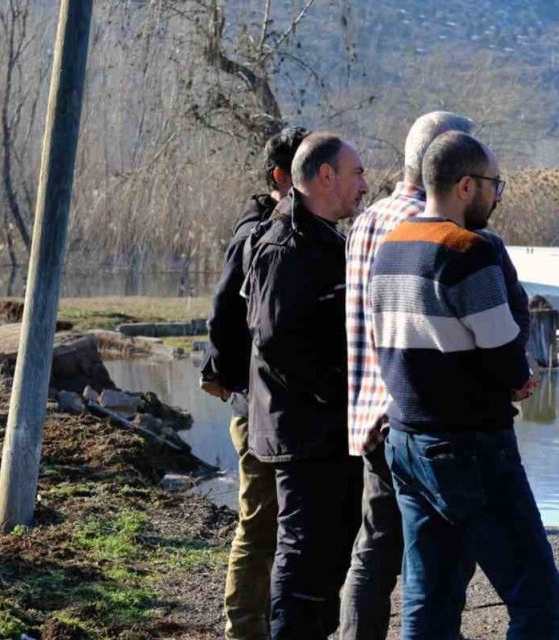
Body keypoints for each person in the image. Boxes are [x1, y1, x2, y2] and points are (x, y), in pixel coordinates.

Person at [370, 131, 559, 640]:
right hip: (470, 446)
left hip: (406, 441)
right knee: (537, 600)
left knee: (429, 601)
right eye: (493, 184)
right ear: (466, 186)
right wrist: (520, 377)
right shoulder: (467, 250)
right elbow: (505, 353)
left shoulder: (391, 246)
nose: (497, 194)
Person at [340, 111, 478, 640]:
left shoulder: (368, 219)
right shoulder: (438, 226)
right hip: (420, 413)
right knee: (442, 549)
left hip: (370, 411)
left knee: (375, 548)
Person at [244, 131, 368, 639]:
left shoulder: (324, 236)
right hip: (302, 433)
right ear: (325, 176)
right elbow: (275, 342)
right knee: (302, 557)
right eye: (356, 173)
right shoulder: (285, 244)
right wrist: (335, 390)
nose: (364, 184)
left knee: (330, 552)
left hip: (328, 431)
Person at [200, 124, 307, 640]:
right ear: (280, 176)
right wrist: (220, 373)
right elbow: (223, 310)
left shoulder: (290, 226)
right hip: (255, 403)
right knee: (260, 521)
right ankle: (243, 628)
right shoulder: (257, 234)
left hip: (270, 402)